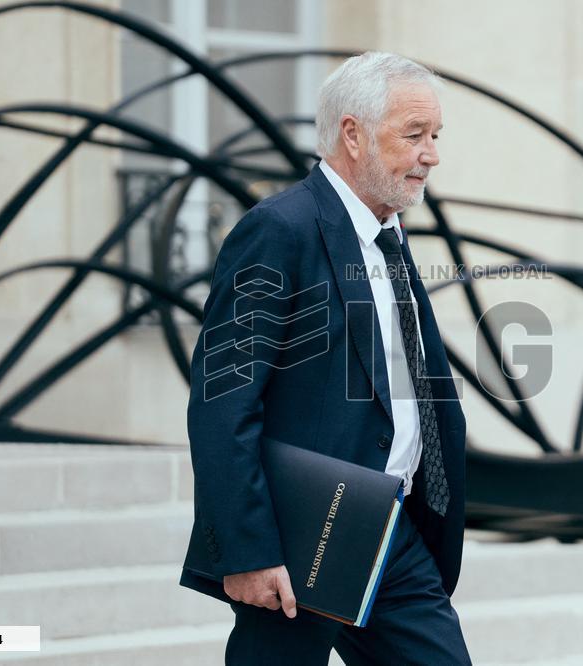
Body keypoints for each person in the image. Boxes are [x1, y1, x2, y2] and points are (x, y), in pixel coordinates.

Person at [179, 51, 470, 665]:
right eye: (414, 135)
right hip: (300, 536)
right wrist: (248, 550)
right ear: (353, 135)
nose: (432, 154)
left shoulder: (389, 232)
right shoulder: (278, 229)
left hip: (393, 528)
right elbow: (222, 402)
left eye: (435, 136)